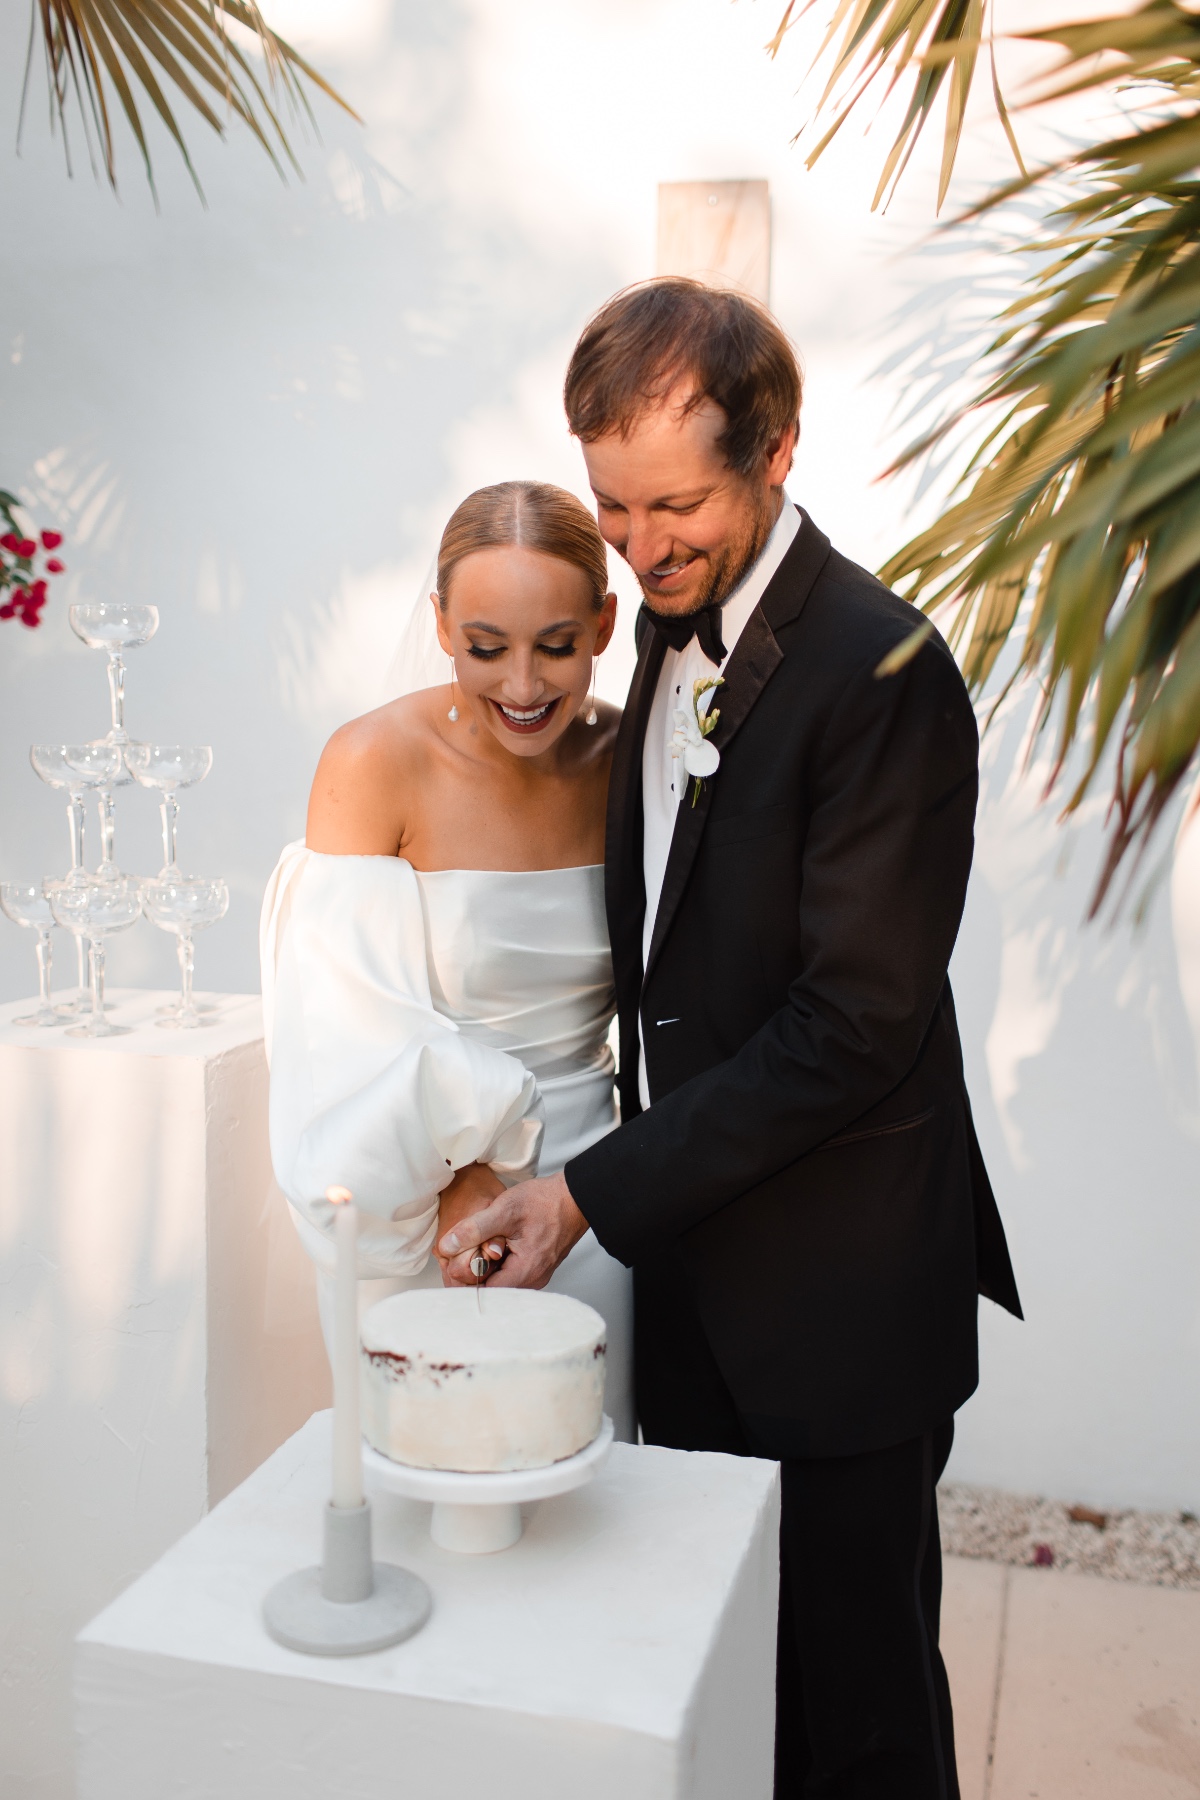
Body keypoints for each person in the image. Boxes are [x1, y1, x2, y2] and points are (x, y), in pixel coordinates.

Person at [438, 279, 1023, 1798]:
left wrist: (585, 1191)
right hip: (688, 1281)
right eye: (612, 507)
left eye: (676, 504)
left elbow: (853, 1025)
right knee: (721, 1687)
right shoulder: (660, 639)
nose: (640, 548)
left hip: (838, 1298)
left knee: (861, 1711)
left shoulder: (881, 674)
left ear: (778, 451)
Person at [259, 479, 634, 1442]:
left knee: (588, 1485)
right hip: (425, 1190)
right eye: (485, 647)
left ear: (604, 623)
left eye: (556, 646)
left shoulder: (633, 760)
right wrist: (459, 1177)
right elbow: (340, 1024)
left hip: (593, 1196)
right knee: (434, 1472)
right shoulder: (372, 762)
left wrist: (597, 1196)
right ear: (438, 625)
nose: (521, 686)